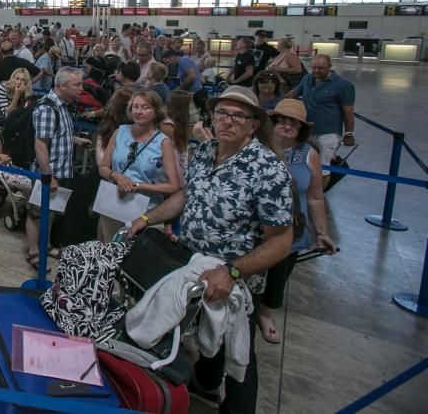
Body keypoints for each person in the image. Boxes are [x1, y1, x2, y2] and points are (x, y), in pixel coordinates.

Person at [129, 86, 295, 413]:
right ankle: (204, 385)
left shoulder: (268, 169)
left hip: (236, 278)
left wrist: (231, 272)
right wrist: (147, 218)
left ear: (253, 124)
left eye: (237, 116)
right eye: (221, 113)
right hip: (194, 266)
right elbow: (186, 196)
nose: (226, 122)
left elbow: (281, 240)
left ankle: (237, 408)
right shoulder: (205, 151)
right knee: (205, 337)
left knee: (239, 354)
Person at [258, 99, 336, 344]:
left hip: (291, 228)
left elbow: (314, 196)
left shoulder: (309, 154)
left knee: (278, 275)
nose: (287, 126)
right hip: (256, 227)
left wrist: (322, 231)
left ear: (302, 128)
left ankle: (266, 313)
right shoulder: (257, 147)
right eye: (281, 120)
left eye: (294, 122)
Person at [96, 90, 180, 242]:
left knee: (134, 258)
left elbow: (173, 186)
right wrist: (116, 176)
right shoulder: (120, 132)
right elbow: (103, 167)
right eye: (135, 107)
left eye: (145, 107)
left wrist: (139, 185)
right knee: (109, 250)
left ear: (156, 112)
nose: (138, 112)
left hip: (145, 210)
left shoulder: (163, 142)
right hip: (115, 202)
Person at [27, 67, 90, 269]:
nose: (81, 88)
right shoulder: (47, 108)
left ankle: (46, 247)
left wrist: (75, 139)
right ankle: (34, 252)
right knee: (37, 214)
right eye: (77, 84)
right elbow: (40, 144)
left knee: (51, 212)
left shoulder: (62, 105)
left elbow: (57, 134)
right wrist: (48, 175)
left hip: (59, 170)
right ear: (62, 86)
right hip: (48, 173)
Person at [286, 54, 356, 190]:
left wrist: (349, 133)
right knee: (303, 163)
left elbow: (348, 111)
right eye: (314, 67)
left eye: (321, 68)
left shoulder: (343, 86)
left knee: (323, 168)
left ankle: (318, 195)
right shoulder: (308, 79)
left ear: (330, 67)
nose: (316, 71)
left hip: (327, 133)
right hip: (306, 131)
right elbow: (293, 94)